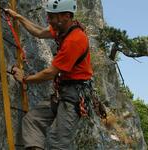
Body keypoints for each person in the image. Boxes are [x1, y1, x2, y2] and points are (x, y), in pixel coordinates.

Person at [5, 0, 93, 149]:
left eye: (52, 16)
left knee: (57, 143)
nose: (49, 20)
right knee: (32, 120)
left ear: (66, 16)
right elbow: (39, 32)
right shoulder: (62, 29)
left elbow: (50, 73)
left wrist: (25, 79)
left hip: (73, 98)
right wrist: (17, 17)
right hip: (64, 92)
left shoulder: (75, 40)